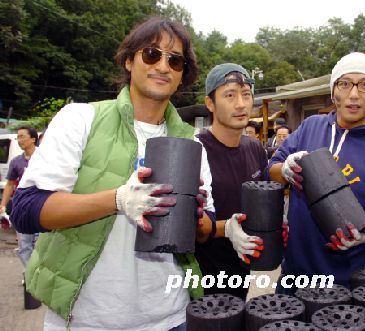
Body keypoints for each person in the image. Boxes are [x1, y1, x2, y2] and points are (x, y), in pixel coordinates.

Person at [11, 17, 215, 331]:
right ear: (129, 60)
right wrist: (118, 199)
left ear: (182, 76)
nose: (163, 66)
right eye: (151, 54)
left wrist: (194, 215)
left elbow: (205, 229)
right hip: (87, 321)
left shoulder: (191, 143)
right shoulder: (80, 118)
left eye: (175, 61)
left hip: (172, 317)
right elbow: (24, 210)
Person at [267, 52, 365, 290]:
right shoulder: (310, 127)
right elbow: (270, 170)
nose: (353, 94)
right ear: (333, 91)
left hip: (349, 282)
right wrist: (285, 170)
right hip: (294, 273)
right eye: (344, 84)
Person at [194, 63, 269, 300]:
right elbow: (188, 224)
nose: (240, 104)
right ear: (210, 103)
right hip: (199, 276)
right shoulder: (195, 150)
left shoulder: (255, 148)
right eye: (229, 95)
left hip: (241, 269)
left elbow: (261, 200)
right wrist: (226, 229)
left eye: (246, 95)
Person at [0, 126, 38, 268]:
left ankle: (38, 274)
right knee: (24, 246)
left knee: (40, 244)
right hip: (22, 208)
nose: (19, 140)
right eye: (18, 137)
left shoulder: (44, 157)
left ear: (33, 139)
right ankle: (29, 274)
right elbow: (10, 184)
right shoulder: (16, 162)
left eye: (22, 136)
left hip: (41, 207)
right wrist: (3, 204)